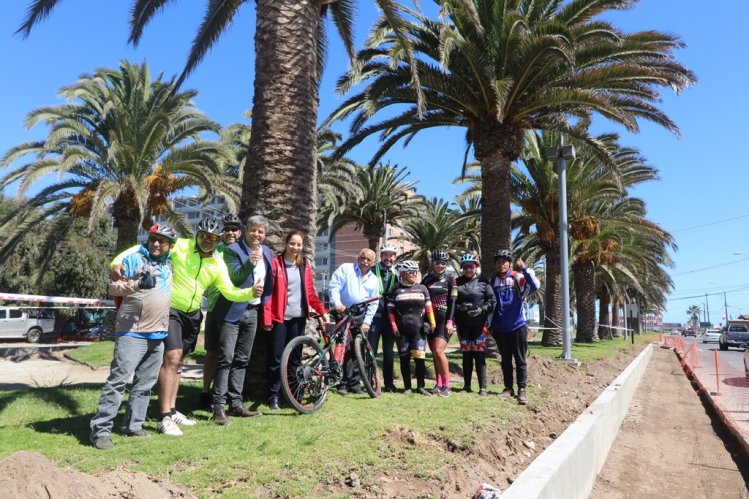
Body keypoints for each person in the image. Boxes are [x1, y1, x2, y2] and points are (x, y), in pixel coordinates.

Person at [111, 216, 258, 436]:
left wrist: (249, 293)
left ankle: (172, 409)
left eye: (212, 238)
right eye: (203, 236)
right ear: (196, 235)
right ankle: (163, 418)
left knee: (179, 361)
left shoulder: (217, 262)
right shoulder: (180, 246)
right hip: (171, 310)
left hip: (193, 314)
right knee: (172, 357)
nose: (207, 240)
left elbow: (228, 290)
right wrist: (117, 262)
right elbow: (138, 247)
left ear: (218, 240)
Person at [90, 224, 176, 450]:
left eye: (162, 241)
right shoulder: (134, 259)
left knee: (145, 384)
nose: (157, 243)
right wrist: (137, 284)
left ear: (170, 245)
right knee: (118, 381)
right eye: (154, 239)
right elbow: (112, 288)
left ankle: (133, 425)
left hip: (157, 334)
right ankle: (100, 431)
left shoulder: (168, 265)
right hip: (132, 332)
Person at [209, 215, 275, 424]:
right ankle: (218, 407)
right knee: (225, 358)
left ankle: (236, 404)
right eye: (254, 230)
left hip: (253, 312)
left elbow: (270, 279)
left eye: (261, 232)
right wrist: (250, 262)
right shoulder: (232, 250)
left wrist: (264, 301)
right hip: (231, 311)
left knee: (242, 359)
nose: (257, 235)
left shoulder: (267, 252)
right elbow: (236, 278)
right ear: (246, 231)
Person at [263, 230, 329, 410]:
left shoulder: (304, 265)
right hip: (279, 320)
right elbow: (268, 293)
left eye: (299, 244)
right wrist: (267, 318)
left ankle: (293, 395)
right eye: (292, 243)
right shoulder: (276, 264)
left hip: (298, 320)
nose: (295, 247)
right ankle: (273, 396)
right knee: (276, 359)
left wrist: (322, 311)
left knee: (294, 360)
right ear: (286, 244)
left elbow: (310, 293)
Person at [201, 212, 245, 407]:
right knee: (212, 352)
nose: (230, 232)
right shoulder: (213, 249)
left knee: (234, 355)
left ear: (240, 231)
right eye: (226, 229)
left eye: (234, 229)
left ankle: (230, 396)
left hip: (237, 308)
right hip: (214, 307)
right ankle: (205, 393)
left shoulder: (245, 251)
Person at [489, 249, 540, 405]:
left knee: (520, 359)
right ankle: (508, 388)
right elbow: (490, 304)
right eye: (498, 262)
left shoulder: (517, 278)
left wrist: (524, 268)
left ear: (509, 263)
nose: (501, 264)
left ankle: (522, 389)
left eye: (504, 261)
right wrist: (489, 325)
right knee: (505, 360)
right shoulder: (492, 282)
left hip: (518, 326)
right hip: (499, 328)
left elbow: (535, 285)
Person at [327, 248, 381, 394]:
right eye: (362, 257)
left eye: (369, 259)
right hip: (343, 311)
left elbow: (374, 303)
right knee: (345, 347)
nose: (365, 261)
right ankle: (342, 383)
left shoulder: (374, 280)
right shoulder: (346, 269)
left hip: (360, 314)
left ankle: (355, 383)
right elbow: (334, 287)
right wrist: (337, 303)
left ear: (373, 262)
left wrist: (367, 322)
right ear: (358, 257)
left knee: (360, 350)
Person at [387, 260, 436, 395]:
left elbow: (429, 308)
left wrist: (432, 324)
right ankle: (407, 387)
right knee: (404, 359)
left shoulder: (422, 288)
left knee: (419, 359)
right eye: (411, 272)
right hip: (401, 331)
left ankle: (421, 386)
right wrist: (394, 326)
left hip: (418, 330)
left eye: (416, 272)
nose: (414, 274)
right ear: (403, 273)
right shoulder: (396, 290)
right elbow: (390, 310)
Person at [454, 252, 496, 396]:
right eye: (465, 267)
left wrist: (480, 310)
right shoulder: (456, 282)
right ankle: (466, 386)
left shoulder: (484, 283)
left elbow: (492, 301)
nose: (468, 269)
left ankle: (483, 387)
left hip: (479, 326)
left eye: (471, 266)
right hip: (463, 325)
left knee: (479, 356)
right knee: (466, 356)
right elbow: (452, 301)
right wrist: (460, 307)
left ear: (476, 267)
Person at [421, 249, 457, 396]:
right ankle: (439, 384)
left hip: (444, 320)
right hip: (430, 321)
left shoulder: (450, 279)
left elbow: (453, 302)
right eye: (437, 263)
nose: (439, 266)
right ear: (433, 264)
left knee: (438, 350)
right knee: (434, 354)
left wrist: (450, 322)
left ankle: (447, 386)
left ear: (446, 264)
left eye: (442, 263)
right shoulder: (427, 280)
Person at [368, 243, 399, 392]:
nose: (388, 258)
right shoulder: (372, 271)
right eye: (385, 255)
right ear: (380, 256)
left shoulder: (397, 274)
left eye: (391, 255)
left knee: (388, 353)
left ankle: (389, 383)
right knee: (371, 351)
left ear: (394, 257)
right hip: (375, 317)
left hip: (390, 319)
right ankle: (369, 382)